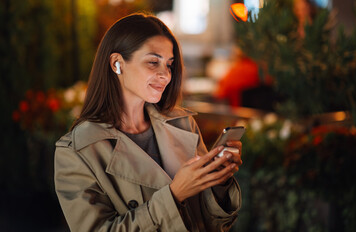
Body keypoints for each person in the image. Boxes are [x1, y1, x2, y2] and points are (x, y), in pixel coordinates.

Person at [54, 13, 243, 231]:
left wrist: (218, 181)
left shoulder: (182, 124)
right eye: (153, 62)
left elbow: (210, 223)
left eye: (169, 64)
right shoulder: (77, 151)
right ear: (117, 64)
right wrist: (174, 195)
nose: (166, 75)